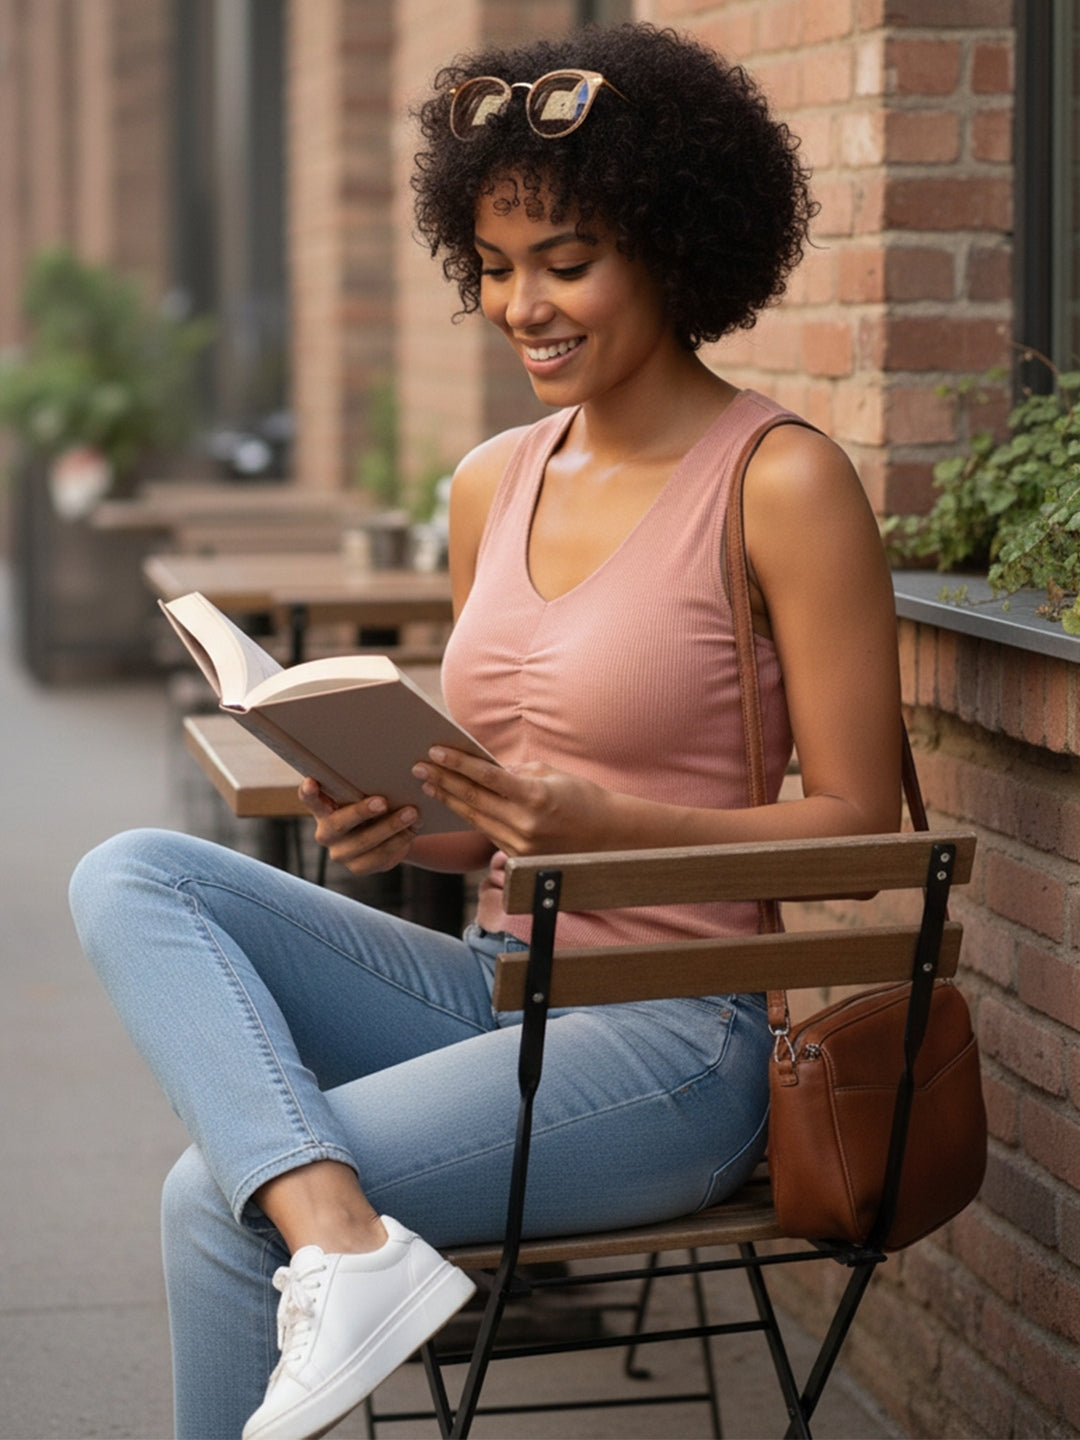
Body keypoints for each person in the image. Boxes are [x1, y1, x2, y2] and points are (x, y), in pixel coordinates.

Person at [70, 21, 902, 1440]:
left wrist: (610, 829)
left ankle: (332, 1243)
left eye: (567, 263)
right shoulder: (488, 485)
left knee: (214, 1202)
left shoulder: (781, 482)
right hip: (490, 979)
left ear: (677, 250)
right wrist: (403, 815)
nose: (525, 305)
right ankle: (344, 1244)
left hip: (678, 1037)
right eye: (498, 268)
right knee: (134, 873)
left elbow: (863, 832)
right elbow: (491, 812)